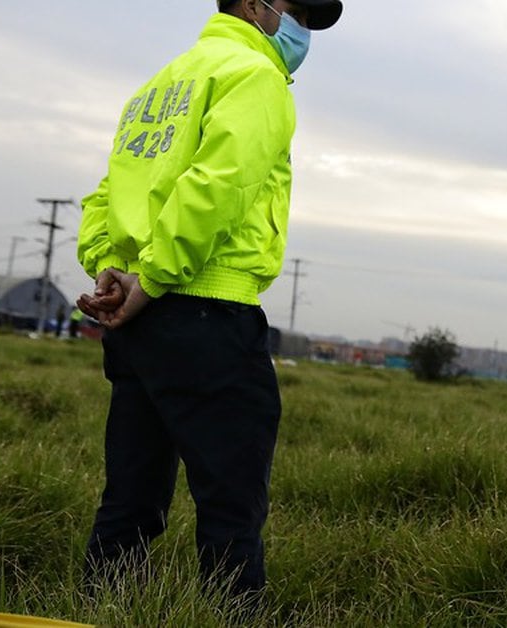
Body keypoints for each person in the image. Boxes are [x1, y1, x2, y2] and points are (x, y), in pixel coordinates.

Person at [75, 0, 343, 598]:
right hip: (210, 310)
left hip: (138, 322)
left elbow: (105, 195)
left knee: (130, 496)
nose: (300, 29)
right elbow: (218, 187)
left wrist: (111, 270)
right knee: (232, 503)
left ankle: (101, 607)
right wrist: (153, 280)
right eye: (294, 10)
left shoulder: (160, 85)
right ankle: (230, 614)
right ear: (253, 5)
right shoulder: (256, 77)